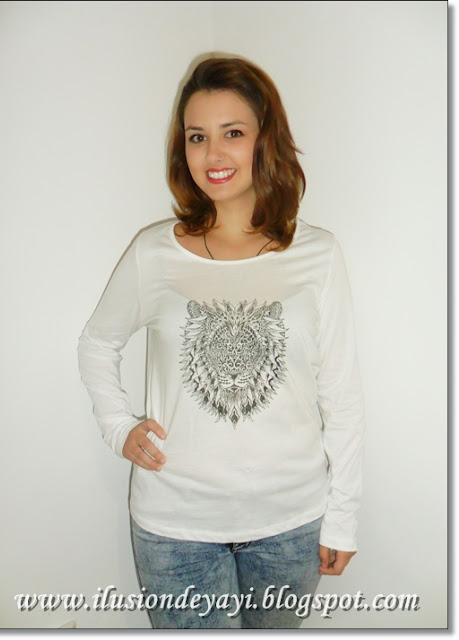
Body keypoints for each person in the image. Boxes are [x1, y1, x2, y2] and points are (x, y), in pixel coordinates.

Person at [78, 54, 365, 629]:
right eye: (197, 137)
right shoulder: (154, 251)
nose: (213, 154)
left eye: (232, 133)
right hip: (175, 526)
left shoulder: (318, 254)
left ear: (266, 140)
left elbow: (342, 395)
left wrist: (343, 516)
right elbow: (97, 343)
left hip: (291, 522)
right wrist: (117, 426)